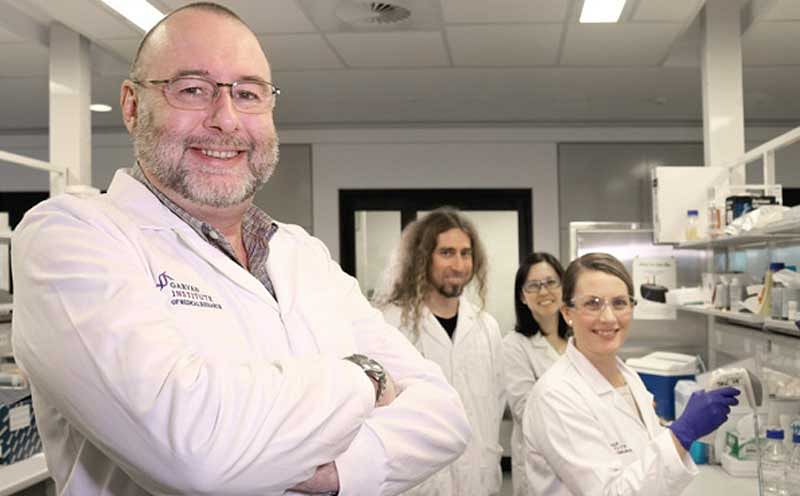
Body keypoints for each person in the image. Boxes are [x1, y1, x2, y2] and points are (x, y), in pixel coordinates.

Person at [10, 4, 469, 495]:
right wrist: (365, 377)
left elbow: (445, 417)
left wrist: (338, 472)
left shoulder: (302, 254)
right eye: (192, 89)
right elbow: (195, 453)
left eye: (248, 94)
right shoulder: (72, 236)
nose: (226, 120)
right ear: (131, 106)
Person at [523, 252, 739, 496]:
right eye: (592, 303)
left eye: (619, 303)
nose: (608, 317)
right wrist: (683, 433)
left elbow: (648, 467)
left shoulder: (629, 377)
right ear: (567, 313)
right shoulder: (555, 396)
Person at [377, 207, 505, 496]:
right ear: (422, 258)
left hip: (478, 481)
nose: (459, 265)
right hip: (416, 483)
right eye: (446, 252)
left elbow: (494, 409)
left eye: (465, 253)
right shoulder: (390, 323)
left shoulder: (487, 327)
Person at [503, 252, 570, 496]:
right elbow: (525, 410)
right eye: (534, 286)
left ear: (564, 287)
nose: (544, 292)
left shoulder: (580, 338)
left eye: (551, 282)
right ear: (522, 296)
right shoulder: (515, 345)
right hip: (541, 465)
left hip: (584, 458)